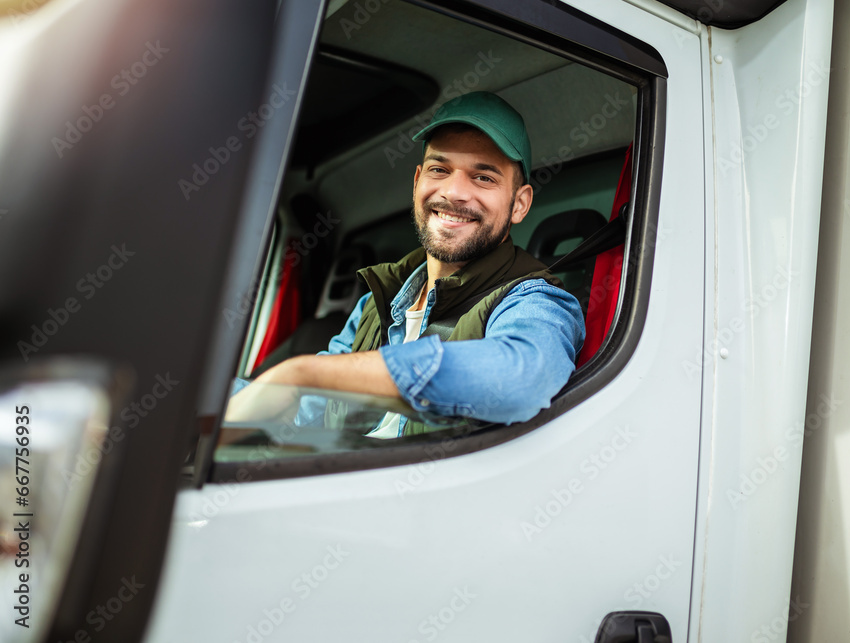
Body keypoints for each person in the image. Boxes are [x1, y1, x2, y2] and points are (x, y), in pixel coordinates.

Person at [227, 92, 585, 436]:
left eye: (483, 177)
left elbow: (521, 378)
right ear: (417, 183)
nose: (454, 192)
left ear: (519, 204)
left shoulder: (535, 300)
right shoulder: (377, 301)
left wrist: (304, 373)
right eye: (439, 169)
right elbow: (306, 407)